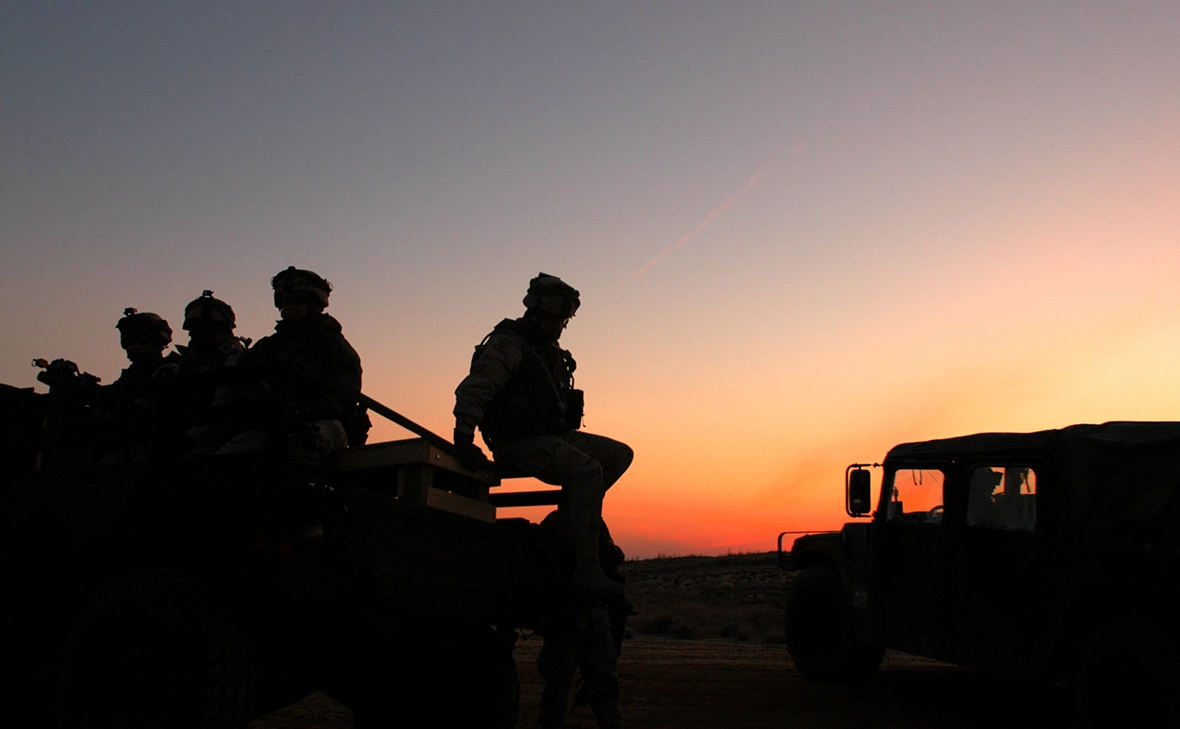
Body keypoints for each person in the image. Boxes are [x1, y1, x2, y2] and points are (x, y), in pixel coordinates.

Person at [453, 273, 633, 598]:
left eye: (565, 320)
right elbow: (475, 389)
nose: (561, 327)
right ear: (536, 312)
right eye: (556, 319)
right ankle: (586, 569)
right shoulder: (509, 344)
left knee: (619, 455)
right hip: (516, 444)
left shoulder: (546, 350)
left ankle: (567, 524)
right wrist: (463, 438)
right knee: (588, 471)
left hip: (553, 438)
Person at [219, 267, 364, 458]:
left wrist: (300, 412)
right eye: (283, 302)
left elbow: (344, 400)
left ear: (314, 305)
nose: (288, 307)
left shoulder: (335, 348)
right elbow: (239, 381)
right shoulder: (268, 346)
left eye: (297, 301)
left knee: (303, 445)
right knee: (226, 456)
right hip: (271, 425)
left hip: (326, 424)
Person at [173, 290, 248, 374]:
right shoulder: (174, 367)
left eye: (212, 327)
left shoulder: (240, 362)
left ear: (224, 331)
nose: (206, 332)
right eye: (199, 327)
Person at [113, 308, 177, 384]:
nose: (137, 346)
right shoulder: (128, 377)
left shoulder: (174, 370)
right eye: (131, 342)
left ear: (157, 345)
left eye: (144, 341)